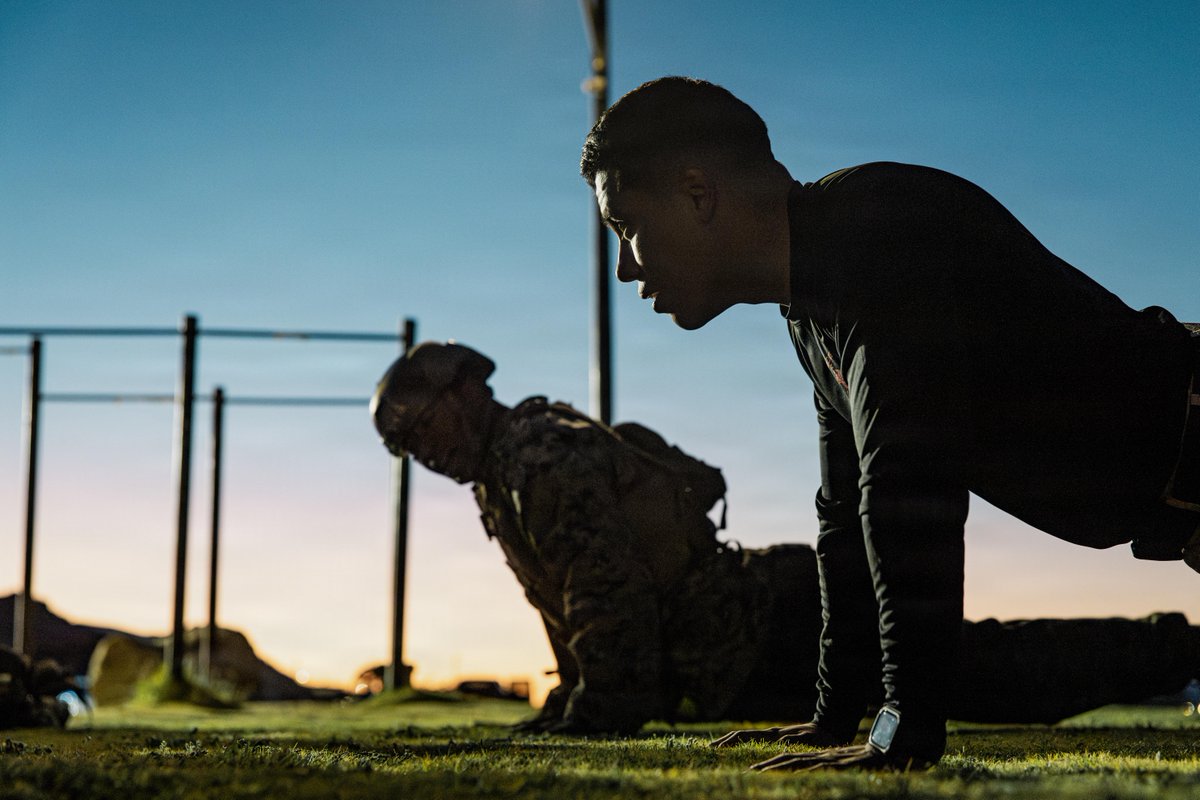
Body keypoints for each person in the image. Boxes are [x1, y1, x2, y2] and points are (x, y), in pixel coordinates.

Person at [579, 76, 1200, 769]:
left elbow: (907, 487)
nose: (625, 267)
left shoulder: (876, 226)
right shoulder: (811, 316)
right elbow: (844, 518)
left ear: (698, 194)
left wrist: (901, 732)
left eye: (626, 228)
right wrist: (832, 718)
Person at [370, 342, 1200, 735]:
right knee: (980, 679)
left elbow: (604, 590)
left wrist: (603, 710)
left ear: (467, 386)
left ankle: (1179, 651)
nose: (420, 446)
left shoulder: (538, 455)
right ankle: (1175, 651)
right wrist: (571, 700)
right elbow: (569, 609)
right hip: (749, 643)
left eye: (418, 420)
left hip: (773, 629)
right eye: (400, 443)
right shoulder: (502, 477)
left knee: (986, 677)